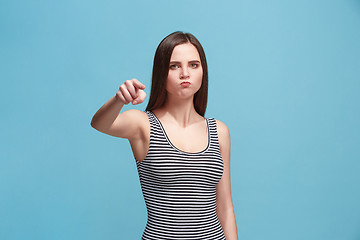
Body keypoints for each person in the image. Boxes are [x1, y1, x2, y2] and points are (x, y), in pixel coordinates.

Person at [91, 31, 238, 239]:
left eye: (193, 65)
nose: (185, 73)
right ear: (161, 72)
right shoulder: (143, 124)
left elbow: (225, 207)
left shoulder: (219, 131)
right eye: (174, 66)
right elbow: (99, 124)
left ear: (203, 71)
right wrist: (119, 99)